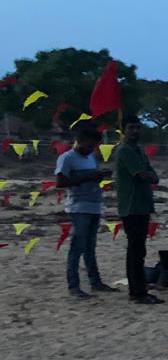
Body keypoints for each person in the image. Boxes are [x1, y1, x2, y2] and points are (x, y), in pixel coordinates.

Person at [55, 127, 114, 299]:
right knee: (77, 247)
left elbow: (93, 177)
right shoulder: (67, 158)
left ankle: (95, 282)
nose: (91, 149)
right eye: (89, 146)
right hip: (79, 207)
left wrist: (100, 176)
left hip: (94, 205)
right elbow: (60, 182)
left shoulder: (91, 157)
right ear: (79, 141)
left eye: (94, 146)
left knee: (90, 248)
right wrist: (89, 177)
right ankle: (74, 287)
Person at [113, 119, 162, 305]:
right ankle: (137, 292)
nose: (135, 131)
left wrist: (150, 176)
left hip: (142, 205)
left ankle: (140, 288)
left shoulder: (139, 150)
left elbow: (152, 174)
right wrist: (149, 176)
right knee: (135, 251)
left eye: (137, 127)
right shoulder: (125, 150)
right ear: (123, 130)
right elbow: (142, 174)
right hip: (131, 206)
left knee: (139, 250)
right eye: (131, 127)